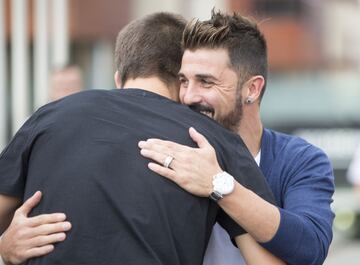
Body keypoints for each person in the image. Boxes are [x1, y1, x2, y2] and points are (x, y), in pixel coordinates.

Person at [0, 12, 279, 265]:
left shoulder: (48, 118)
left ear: (119, 77)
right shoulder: (211, 141)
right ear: (181, 78)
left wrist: (4, 246)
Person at [138, 10, 335, 265]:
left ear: (252, 88)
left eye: (206, 82)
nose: (188, 96)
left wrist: (218, 184)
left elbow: (310, 246)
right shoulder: (166, 153)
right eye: (184, 81)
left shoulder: (300, 159)